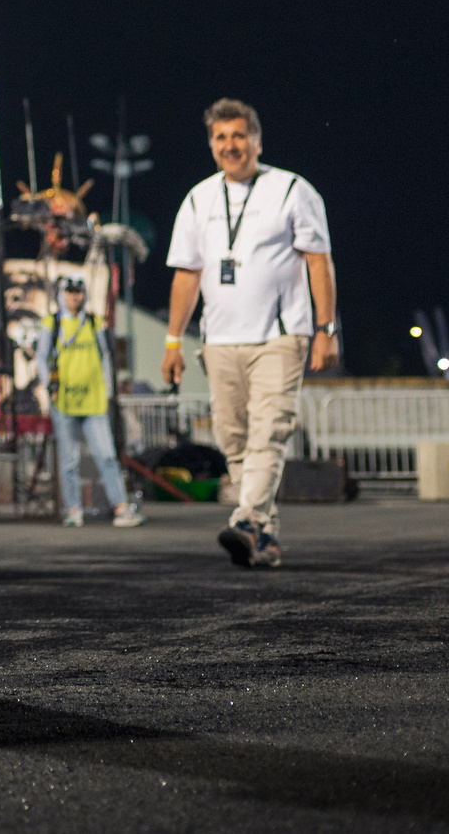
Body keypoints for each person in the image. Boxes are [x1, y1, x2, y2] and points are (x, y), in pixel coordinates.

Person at [162, 98, 337, 570]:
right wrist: (174, 340)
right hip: (219, 340)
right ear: (211, 145)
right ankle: (265, 535)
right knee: (234, 440)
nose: (230, 145)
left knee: (269, 431)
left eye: (239, 136)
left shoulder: (292, 190)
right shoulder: (199, 199)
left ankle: (245, 519)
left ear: (257, 140)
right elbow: (187, 275)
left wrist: (326, 329)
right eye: (221, 138)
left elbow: (319, 263)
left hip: (280, 336)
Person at [37, 279, 141, 527]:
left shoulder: (94, 322)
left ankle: (121, 507)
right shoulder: (53, 323)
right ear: (63, 295)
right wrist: (49, 386)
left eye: (78, 293)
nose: (75, 298)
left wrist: (106, 389)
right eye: (70, 293)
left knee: (106, 456)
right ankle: (73, 509)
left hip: (93, 402)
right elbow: (41, 357)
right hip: (64, 401)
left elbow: (105, 356)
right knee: (69, 459)